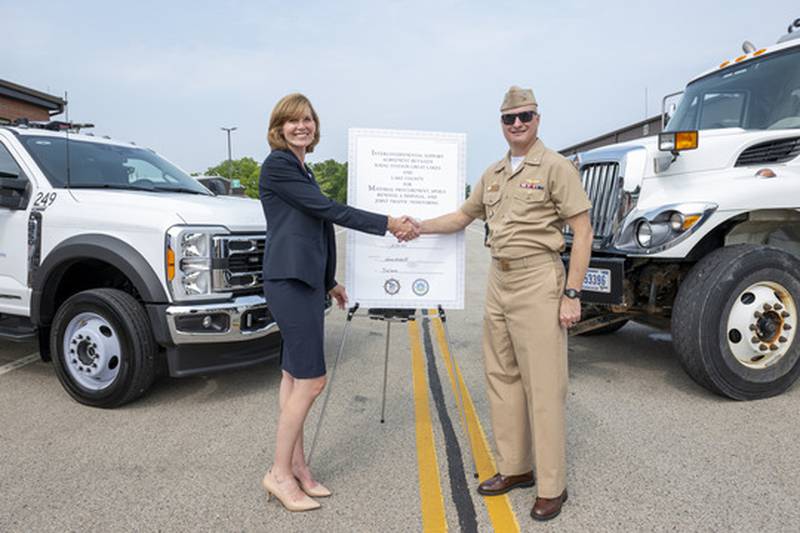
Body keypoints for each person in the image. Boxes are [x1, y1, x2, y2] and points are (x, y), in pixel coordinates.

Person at [418, 86, 593, 521]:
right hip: (500, 279)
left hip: (539, 278)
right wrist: (415, 227)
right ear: (501, 123)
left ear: (538, 118)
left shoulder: (555, 168)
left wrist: (571, 293)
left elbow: (583, 232)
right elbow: (462, 217)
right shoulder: (493, 173)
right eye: (509, 118)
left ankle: (553, 485)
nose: (517, 124)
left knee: (545, 385)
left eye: (525, 116)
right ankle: (516, 468)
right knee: (501, 377)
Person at [258, 93, 418, 512]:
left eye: (307, 119)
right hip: (289, 283)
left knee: (293, 378)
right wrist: (387, 223)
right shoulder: (277, 165)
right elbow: (328, 211)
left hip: (307, 283)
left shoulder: (301, 169)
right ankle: (278, 474)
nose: (301, 126)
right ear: (279, 128)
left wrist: (329, 282)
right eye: (292, 121)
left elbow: (314, 227)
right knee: (312, 381)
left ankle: (298, 469)